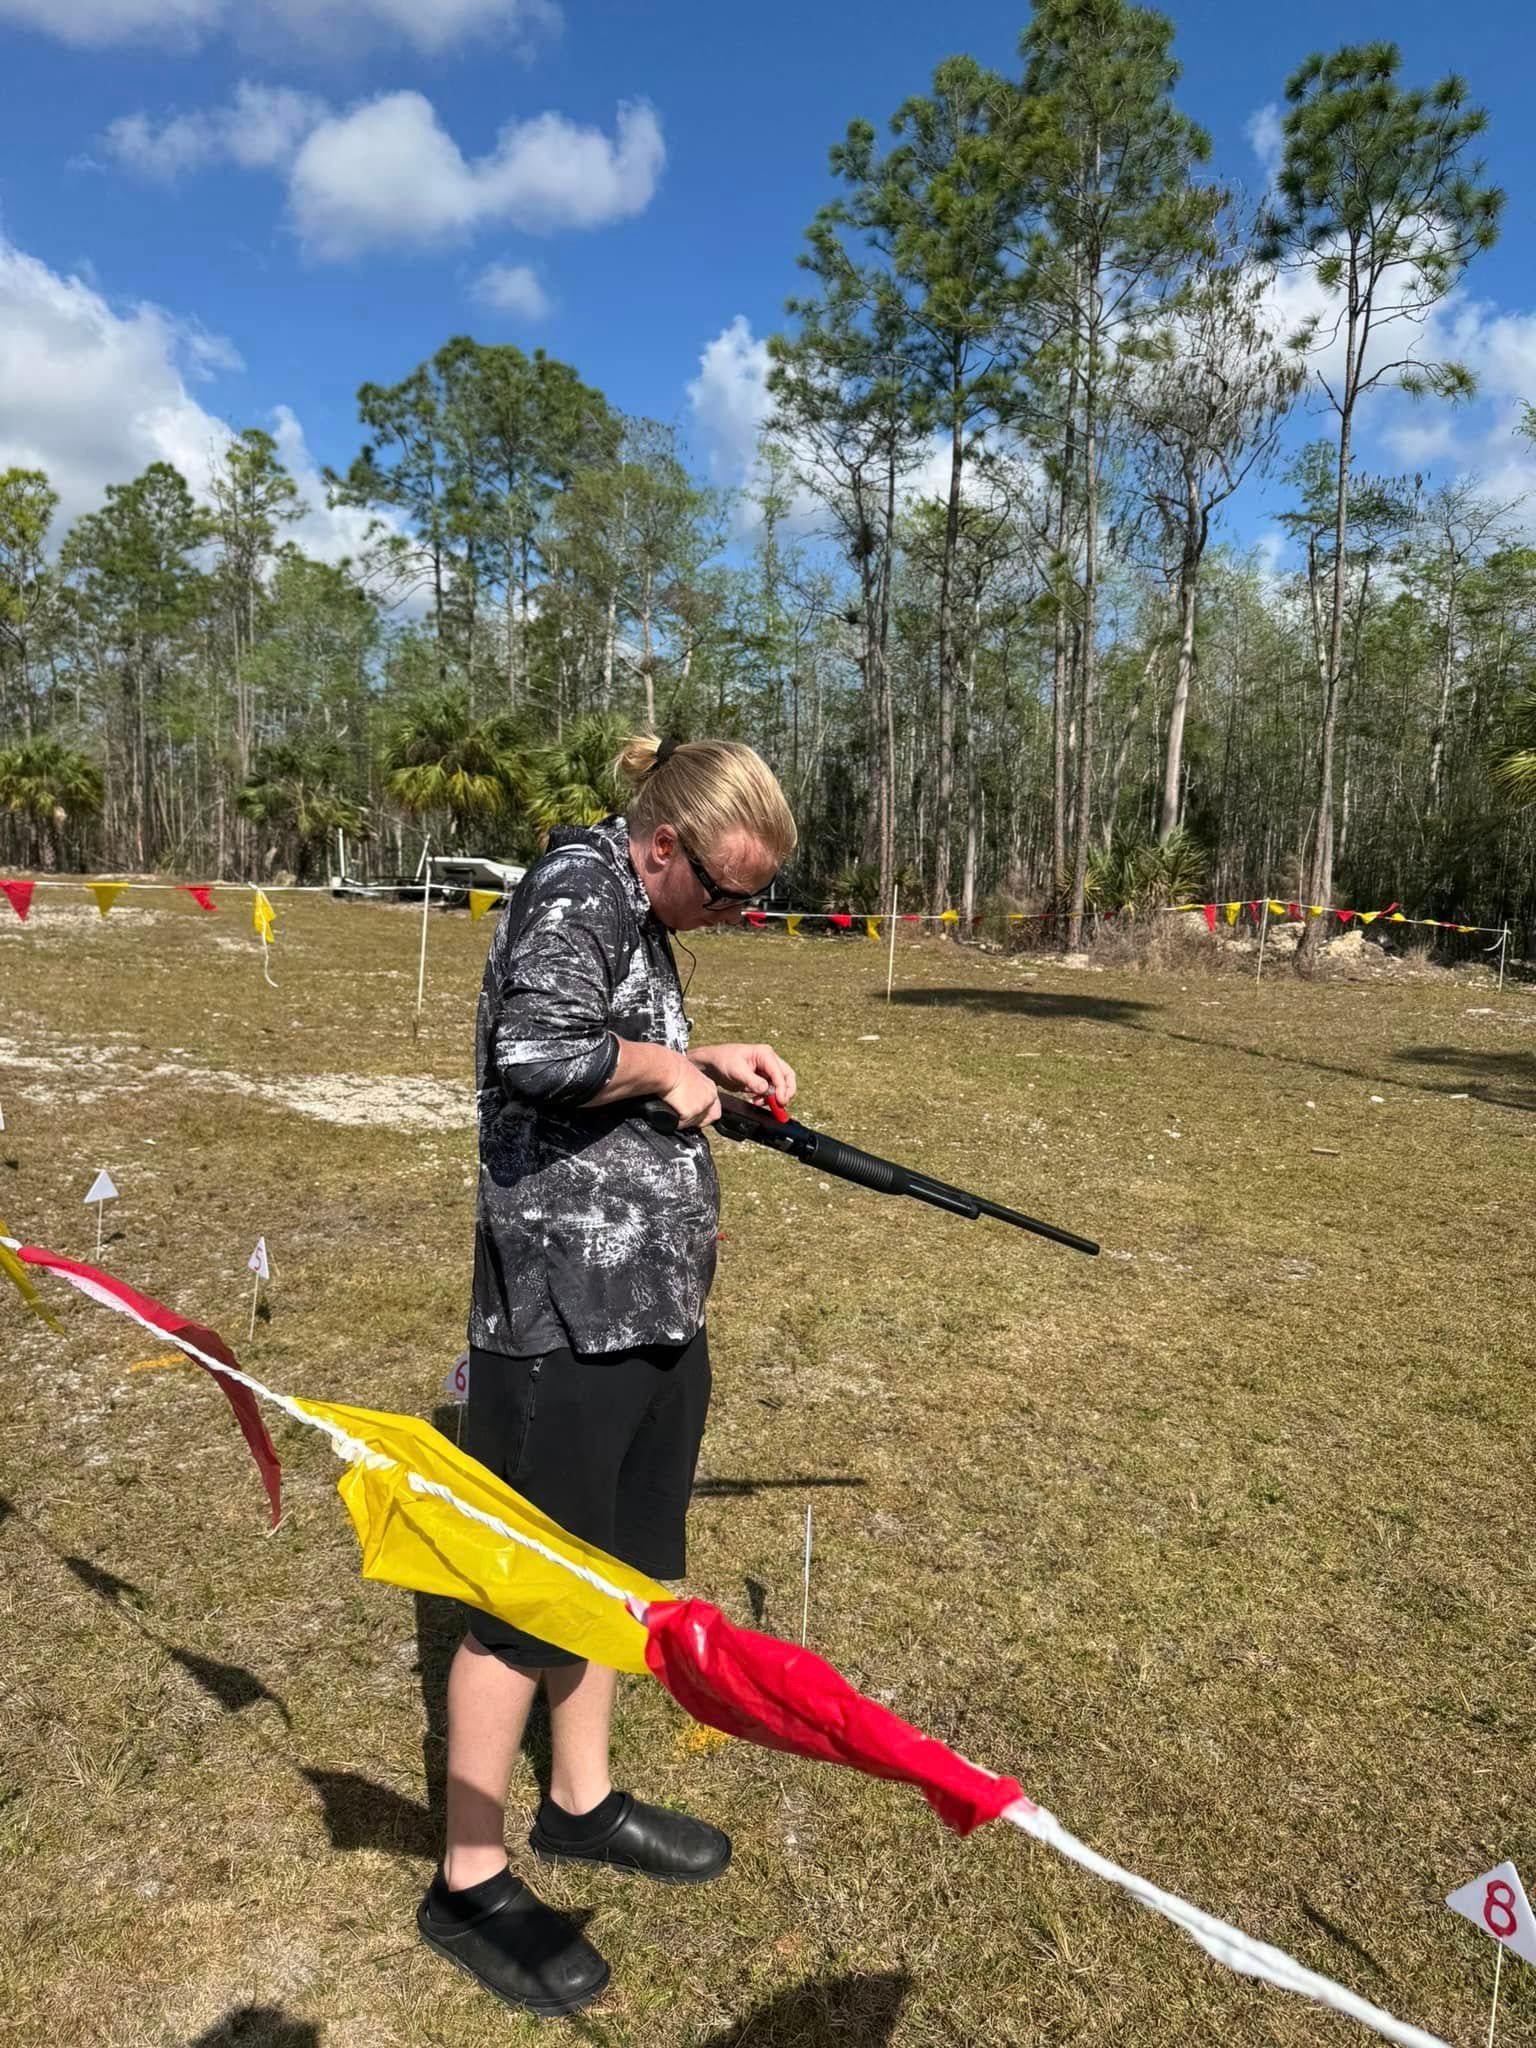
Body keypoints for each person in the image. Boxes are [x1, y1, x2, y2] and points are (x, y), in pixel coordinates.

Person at [417, 733, 799, 2018]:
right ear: (663, 846)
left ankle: (579, 1801)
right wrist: (668, 1067)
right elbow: (534, 1050)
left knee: (615, 1573)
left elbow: (621, 1051)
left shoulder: (640, 912)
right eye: (731, 892)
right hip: (560, 1316)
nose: (739, 915)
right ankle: (469, 1876)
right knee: (519, 1597)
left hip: (649, 1303)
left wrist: (718, 1058)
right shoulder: (577, 887)